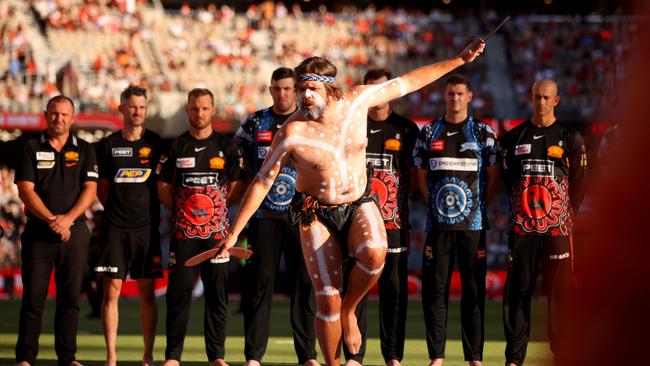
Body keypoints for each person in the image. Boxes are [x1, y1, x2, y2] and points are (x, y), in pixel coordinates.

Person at [216, 40, 486, 366]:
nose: (304, 96)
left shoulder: (359, 100)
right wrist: (233, 234)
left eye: (311, 87)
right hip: (316, 211)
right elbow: (261, 182)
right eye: (300, 88)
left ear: (332, 88)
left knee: (374, 253)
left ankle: (350, 311)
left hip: (358, 200)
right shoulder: (292, 131)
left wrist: (458, 59)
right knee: (327, 298)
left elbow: (411, 81)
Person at [234, 67, 319, 366]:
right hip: (264, 216)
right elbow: (241, 173)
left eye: (288, 89)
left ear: (295, 91)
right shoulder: (254, 122)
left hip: (303, 216)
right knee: (259, 285)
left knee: (305, 286)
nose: (282, 94)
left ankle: (308, 355)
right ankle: (253, 356)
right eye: (277, 88)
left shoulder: (311, 120)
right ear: (270, 90)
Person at [499, 79, 588, 366]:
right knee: (518, 294)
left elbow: (580, 184)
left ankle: (561, 355)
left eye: (546, 97)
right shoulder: (514, 137)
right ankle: (514, 358)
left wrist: (562, 216)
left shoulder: (570, 137)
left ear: (556, 101)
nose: (541, 102)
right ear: (530, 98)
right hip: (522, 230)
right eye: (537, 97)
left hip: (557, 231)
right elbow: (507, 180)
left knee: (560, 295)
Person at [412, 75, 498, 366]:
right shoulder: (429, 132)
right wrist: (431, 203)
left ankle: (474, 357)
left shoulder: (482, 132)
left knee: (474, 292)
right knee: (435, 293)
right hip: (438, 227)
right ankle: (437, 356)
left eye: (460, 94)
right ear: (444, 96)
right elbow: (420, 173)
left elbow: (494, 174)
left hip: (473, 227)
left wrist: (479, 207)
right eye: (450, 94)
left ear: (470, 96)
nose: (455, 99)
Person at [157, 88, 242, 366]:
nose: (200, 113)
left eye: (205, 108)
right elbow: (163, 187)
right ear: (187, 110)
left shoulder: (226, 147)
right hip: (184, 235)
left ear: (213, 111)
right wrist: (185, 212)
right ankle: (172, 357)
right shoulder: (176, 146)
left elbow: (236, 185)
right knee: (178, 294)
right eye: (195, 108)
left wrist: (213, 213)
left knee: (217, 295)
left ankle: (217, 356)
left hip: (217, 236)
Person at [342, 68, 419, 366]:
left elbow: (414, 178)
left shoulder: (407, 129)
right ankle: (354, 356)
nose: (376, 96)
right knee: (355, 291)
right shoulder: (352, 126)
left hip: (394, 223)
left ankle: (393, 356)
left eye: (382, 89)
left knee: (394, 291)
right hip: (356, 223)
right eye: (371, 89)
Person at [15, 95, 98, 366]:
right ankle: (26, 358)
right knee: (33, 299)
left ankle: (67, 357)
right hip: (39, 234)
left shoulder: (85, 149)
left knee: (70, 299)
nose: (58, 118)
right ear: (45, 115)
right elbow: (25, 190)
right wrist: (53, 219)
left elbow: (90, 189)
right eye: (54, 113)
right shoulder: (29, 148)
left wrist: (67, 219)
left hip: (74, 234)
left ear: (72, 118)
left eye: (64, 114)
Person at [94, 86, 164, 366]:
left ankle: (147, 356)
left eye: (142, 107)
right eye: (132, 107)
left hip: (146, 229)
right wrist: (116, 212)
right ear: (121, 108)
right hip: (115, 229)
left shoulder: (158, 144)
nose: (137, 112)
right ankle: (111, 357)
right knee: (111, 292)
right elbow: (101, 189)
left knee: (147, 292)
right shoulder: (107, 145)